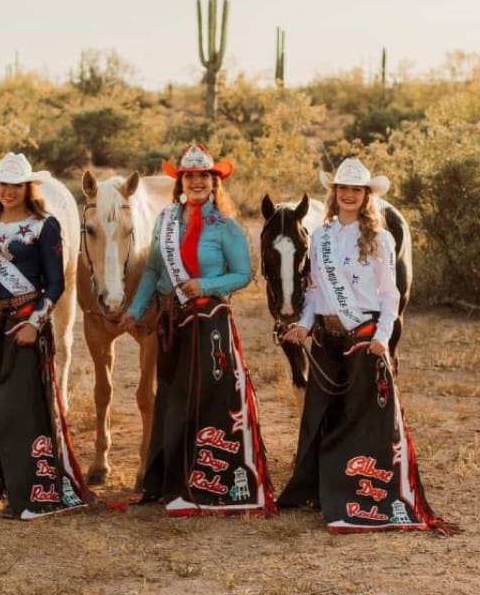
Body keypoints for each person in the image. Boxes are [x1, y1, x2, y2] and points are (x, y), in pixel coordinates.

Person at [279, 158, 457, 534]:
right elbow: (313, 292)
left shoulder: (380, 238)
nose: (347, 194)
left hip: (363, 338)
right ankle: (316, 491)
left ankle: (356, 493)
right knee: (320, 416)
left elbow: (390, 296)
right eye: (342, 188)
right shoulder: (322, 237)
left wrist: (381, 338)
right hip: (327, 340)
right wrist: (304, 326)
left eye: (355, 189)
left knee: (358, 420)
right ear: (335, 193)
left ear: (365, 195)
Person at [119, 143, 275, 516]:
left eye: (204, 175)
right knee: (173, 400)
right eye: (190, 176)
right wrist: (136, 310)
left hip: (210, 325)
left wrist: (204, 285)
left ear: (214, 182)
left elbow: (243, 275)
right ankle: (172, 481)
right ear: (181, 182)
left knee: (210, 401)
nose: (197, 182)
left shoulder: (226, 227)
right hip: (172, 323)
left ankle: (211, 481)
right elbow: (156, 271)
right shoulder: (166, 221)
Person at [0, 152, 91, 520]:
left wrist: (35, 323)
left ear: (27, 187)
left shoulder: (45, 225)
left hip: (25, 325)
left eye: (16, 185)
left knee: (19, 409)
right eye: (3, 184)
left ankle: (32, 493)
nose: (9, 191)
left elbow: (56, 283)